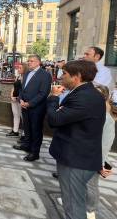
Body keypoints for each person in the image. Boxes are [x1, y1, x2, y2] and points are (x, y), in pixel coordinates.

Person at [47, 60, 105, 219]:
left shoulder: (84, 97)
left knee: (73, 205)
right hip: (79, 157)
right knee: (74, 202)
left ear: (77, 76)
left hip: (76, 160)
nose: (60, 77)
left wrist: (53, 98)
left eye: (64, 74)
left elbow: (55, 120)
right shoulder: (87, 93)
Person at [13, 54, 52, 162]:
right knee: (27, 127)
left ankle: (35, 152)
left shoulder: (45, 75)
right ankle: (26, 145)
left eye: (32, 61)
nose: (29, 63)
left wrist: (30, 103)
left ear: (38, 62)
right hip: (24, 106)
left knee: (36, 130)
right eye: (28, 61)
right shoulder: (27, 73)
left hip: (37, 108)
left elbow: (43, 93)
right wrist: (20, 99)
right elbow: (22, 89)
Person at [86, 85, 116, 219]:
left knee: (90, 185)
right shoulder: (90, 112)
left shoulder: (106, 119)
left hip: (93, 159)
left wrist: (99, 163)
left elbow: (105, 144)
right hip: (82, 156)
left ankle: (90, 211)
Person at [6, 63, 27, 137]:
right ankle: (15, 131)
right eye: (18, 68)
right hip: (14, 98)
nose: (18, 69)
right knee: (16, 115)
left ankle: (25, 134)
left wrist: (19, 98)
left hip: (21, 99)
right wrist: (11, 95)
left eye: (20, 68)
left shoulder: (26, 77)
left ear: (25, 69)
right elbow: (14, 87)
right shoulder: (18, 76)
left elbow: (24, 90)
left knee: (23, 117)